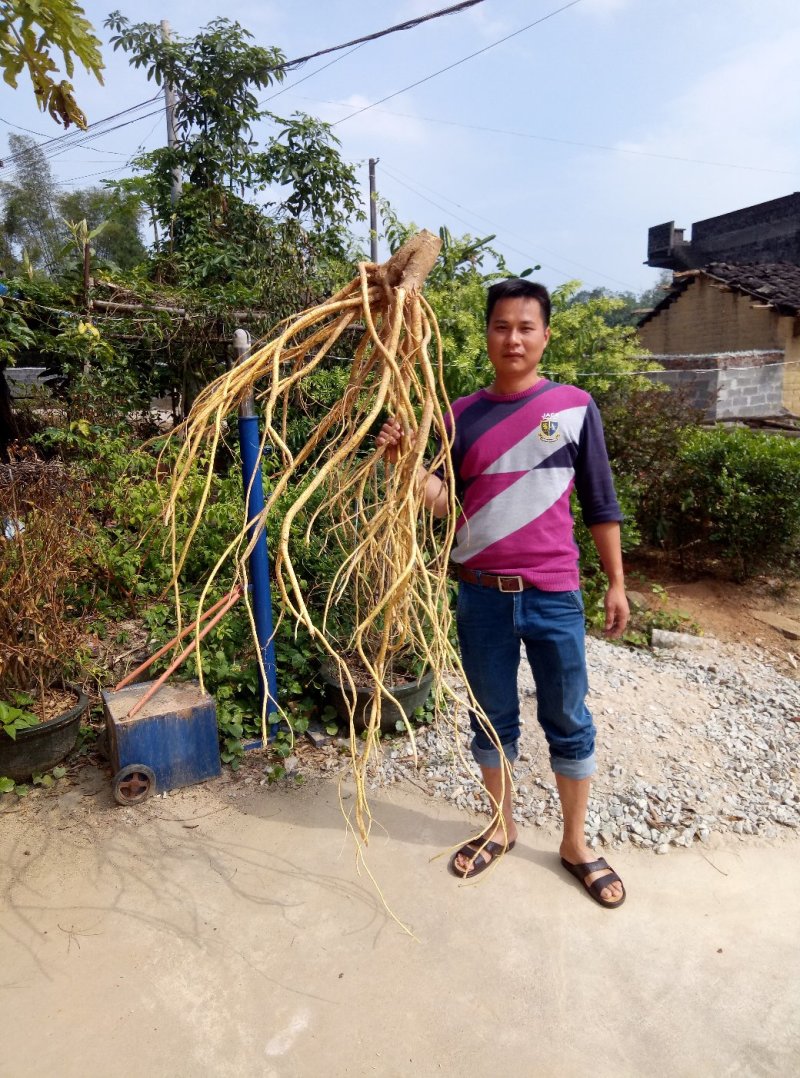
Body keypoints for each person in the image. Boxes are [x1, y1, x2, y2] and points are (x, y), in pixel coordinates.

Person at [376, 278, 629, 909]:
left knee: (568, 718)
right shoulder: (458, 415)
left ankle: (575, 844)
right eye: (501, 326)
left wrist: (617, 583)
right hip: (480, 594)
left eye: (525, 327)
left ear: (545, 335)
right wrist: (405, 467)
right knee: (490, 719)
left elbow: (600, 503)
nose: (512, 338)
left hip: (554, 594)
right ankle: (501, 826)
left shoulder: (574, 406)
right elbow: (446, 505)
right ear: (486, 334)